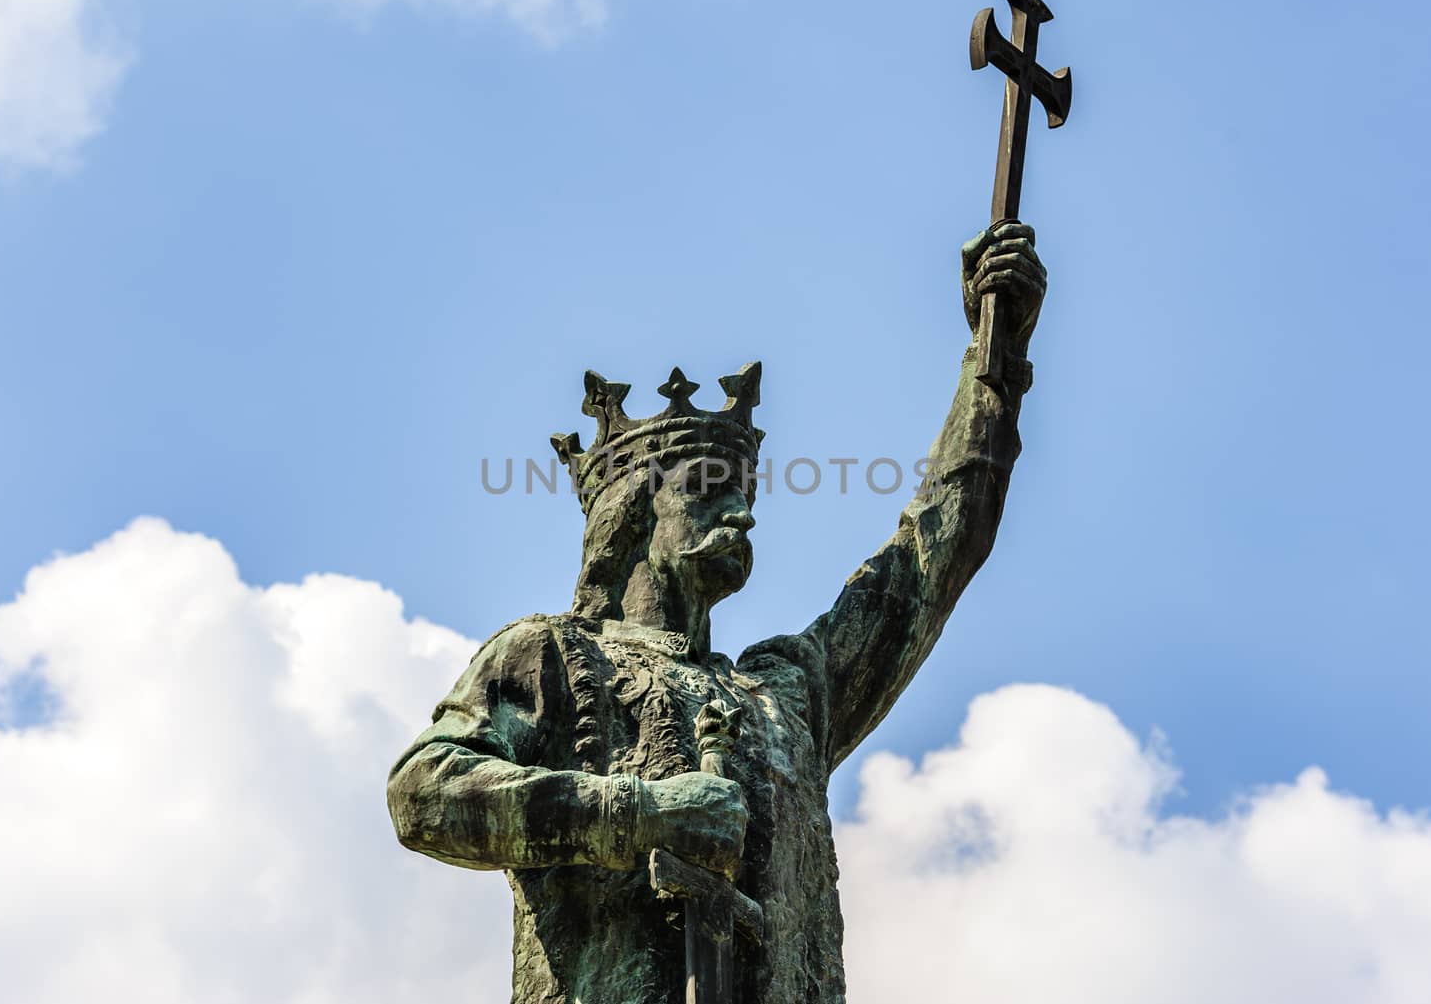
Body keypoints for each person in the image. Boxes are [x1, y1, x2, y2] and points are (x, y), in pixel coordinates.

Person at [387, 222, 1049, 1003]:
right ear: (631, 516)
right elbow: (424, 790)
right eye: (708, 491)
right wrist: (638, 814)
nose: (741, 515)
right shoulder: (551, 658)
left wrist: (993, 367)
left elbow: (930, 558)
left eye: (747, 494)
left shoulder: (790, 692)